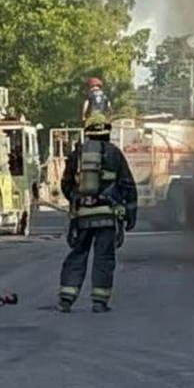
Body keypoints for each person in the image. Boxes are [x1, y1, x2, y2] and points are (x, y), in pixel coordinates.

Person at [58, 112, 137, 313]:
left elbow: (66, 184)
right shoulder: (114, 153)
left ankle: (66, 299)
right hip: (107, 217)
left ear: (88, 133)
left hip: (82, 217)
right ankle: (99, 302)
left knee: (77, 255)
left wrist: (78, 201)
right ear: (107, 132)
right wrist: (130, 214)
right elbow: (128, 185)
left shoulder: (77, 154)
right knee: (104, 258)